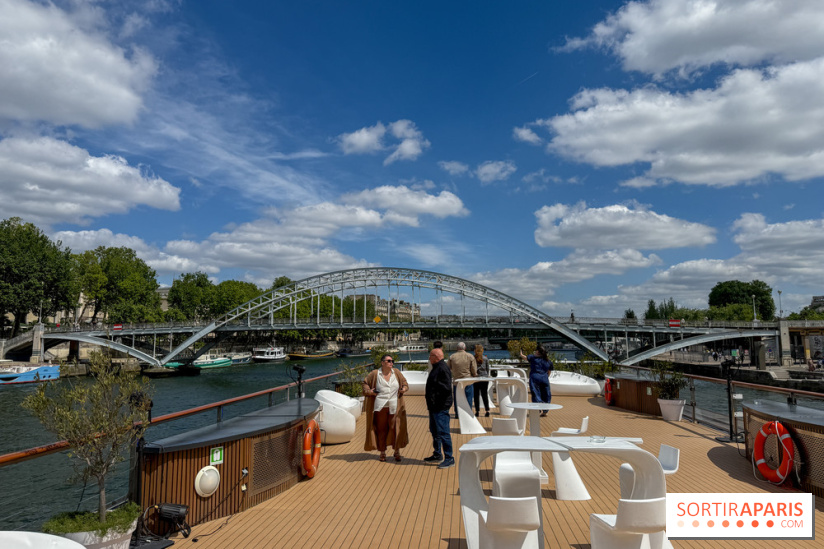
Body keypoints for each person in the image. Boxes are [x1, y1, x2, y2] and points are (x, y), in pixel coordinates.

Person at [362, 354, 409, 462]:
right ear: (382, 363)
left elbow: (405, 383)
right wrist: (371, 392)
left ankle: (396, 451)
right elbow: (365, 384)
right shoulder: (375, 374)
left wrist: (404, 389)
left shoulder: (396, 373)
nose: (391, 363)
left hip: (394, 405)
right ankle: (382, 452)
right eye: (389, 361)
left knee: (394, 428)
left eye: (392, 361)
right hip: (380, 406)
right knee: (381, 430)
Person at [424, 347, 454, 469]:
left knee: (443, 432)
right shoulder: (437, 367)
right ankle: (437, 453)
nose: (429, 358)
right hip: (434, 406)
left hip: (440, 406)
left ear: (436, 357)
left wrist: (435, 397)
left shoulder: (442, 368)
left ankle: (449, 458)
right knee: (435, 430)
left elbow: (446, 388)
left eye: (431, 356)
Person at [520, 344, 553, 416]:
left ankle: (537, 409)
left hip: (534, 378)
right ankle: (545, 411)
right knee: (546, 394)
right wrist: (546, 377)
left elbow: (524, 357)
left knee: (536, 393)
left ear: (538, 352)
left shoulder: (532, 358)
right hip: (544, 378)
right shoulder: (548, 361)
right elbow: (549, 371)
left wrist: (521, 353)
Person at [448, 342, 477, 419]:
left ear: (457, 348)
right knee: (468, 398)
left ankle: (457, 413)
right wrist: (474, 375)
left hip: (457, 380)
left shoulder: (452, 357)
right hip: (467, 380)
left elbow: (448, 368)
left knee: (457, 398)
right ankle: (468, 412)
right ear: (465, 348)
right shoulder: (470, 356)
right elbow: (474, 369)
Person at [473, 344, 491, 417]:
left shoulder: (473, 358)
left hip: (476, 378)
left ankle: (477, 411)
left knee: (476, 395)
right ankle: (487, 410)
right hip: (484, 378)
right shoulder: (485, 359)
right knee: (484, 394)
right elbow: (487, 369)